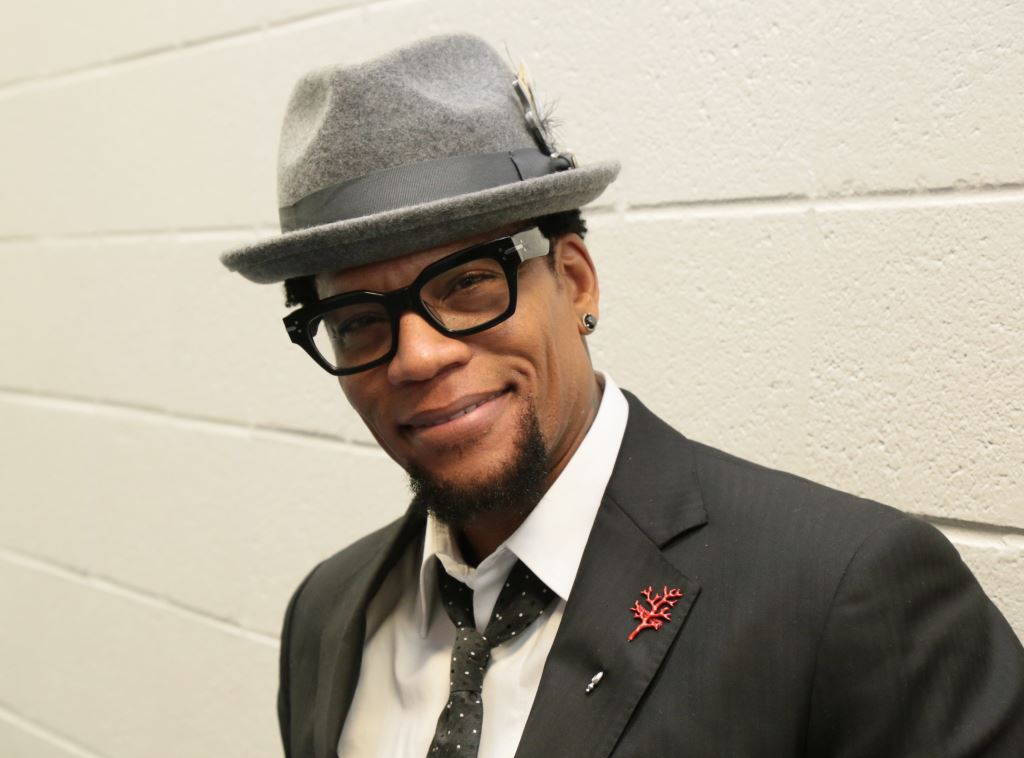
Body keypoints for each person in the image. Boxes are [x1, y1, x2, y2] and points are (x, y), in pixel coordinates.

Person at [220, 33, 1024, 758]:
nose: (418, 357)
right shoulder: (327, 616)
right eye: (357, 321)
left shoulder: (840, 597)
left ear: (574, 280)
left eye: (468, 283)